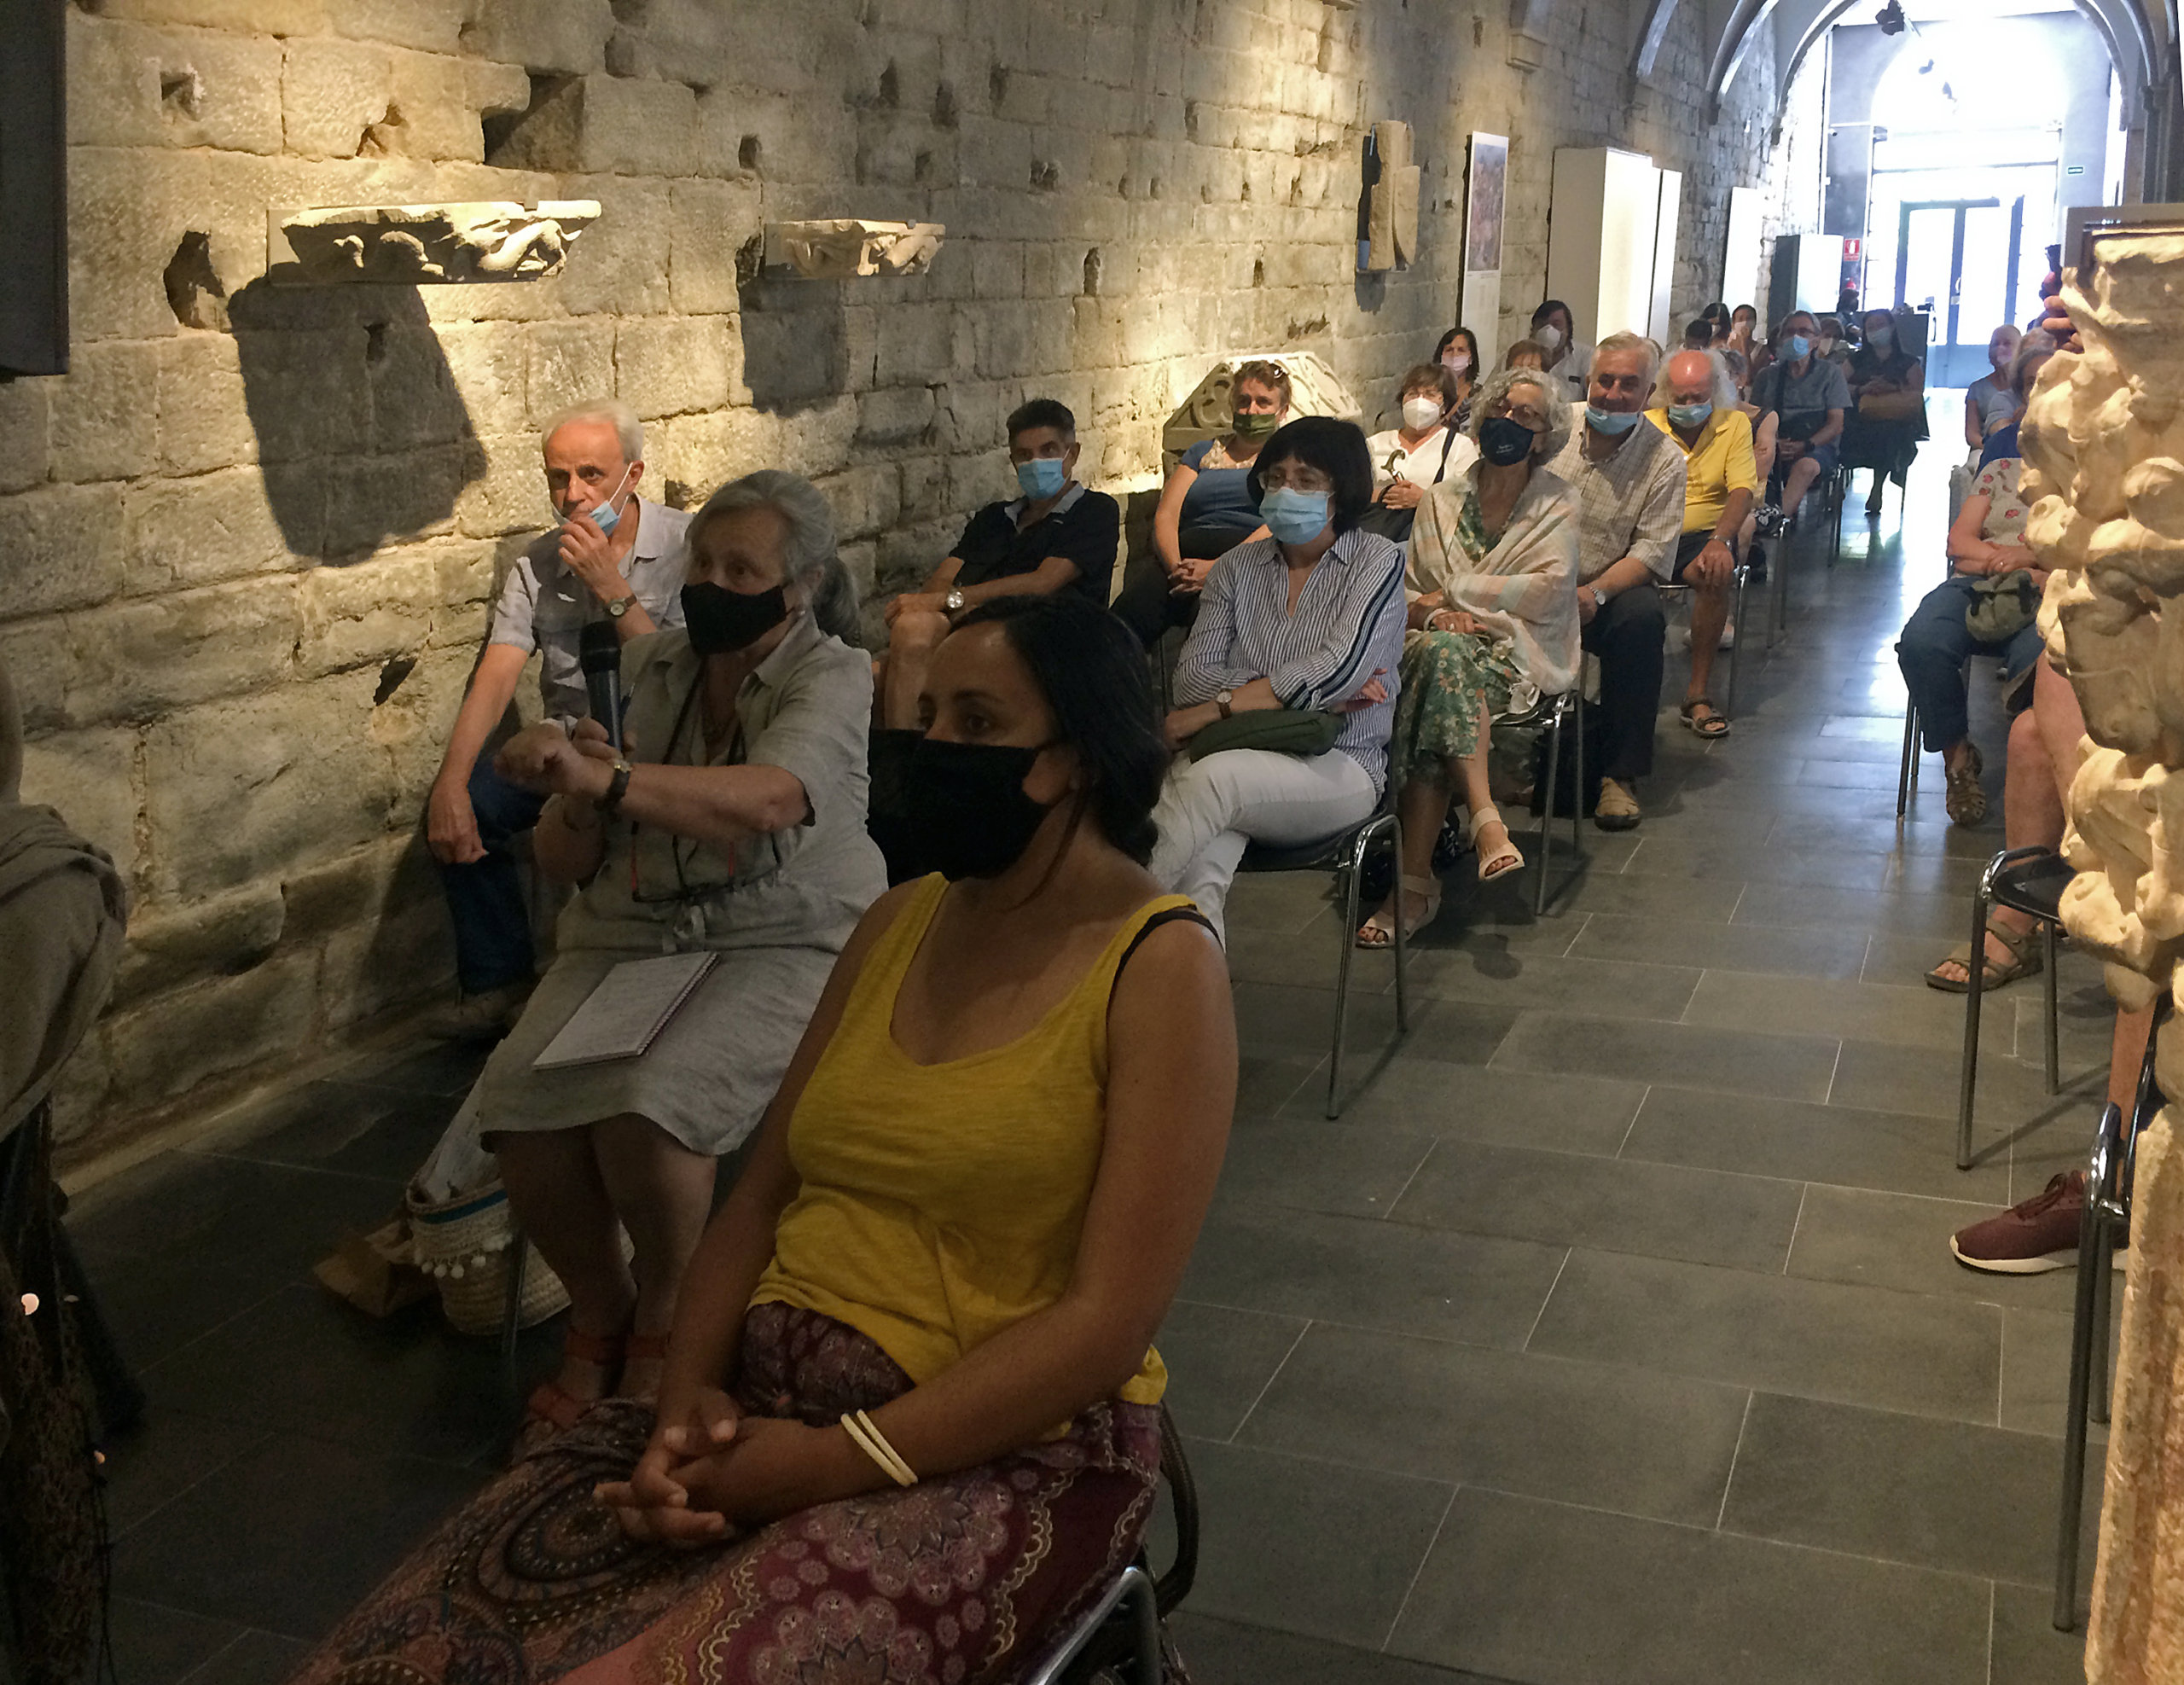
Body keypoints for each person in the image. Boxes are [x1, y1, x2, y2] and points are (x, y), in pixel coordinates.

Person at [289, 592, 1238, 1685]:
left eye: (977, 723)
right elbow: (759, 1200)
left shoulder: (1157, 968)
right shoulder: (900, 922)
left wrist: (832, 1463)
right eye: (927, 716)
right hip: (763, 1400)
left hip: (998, 1447)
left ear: (1075, 757)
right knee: (403, 1650)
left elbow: (1104, 1324)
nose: (934, 748)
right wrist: (682, 1401)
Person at [473, 470, 887, 1443]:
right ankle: (601, 1301)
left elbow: (772, 798)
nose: (712, 584)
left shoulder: (831, 674)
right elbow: (567, 861)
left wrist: (612, 779)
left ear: (801, 585)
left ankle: (669, 1308)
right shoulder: (649, 668)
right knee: (519, 1106)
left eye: (742, 570)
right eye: (703, 563)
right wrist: (568, 784)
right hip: (631, 928)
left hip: (781, 932)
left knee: (647, 1106)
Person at [424, 398, 694, 1041]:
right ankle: (497, 981)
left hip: (657, 737)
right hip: (569, 738)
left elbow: (674, 676)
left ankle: (616, 979)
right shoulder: (537, 564)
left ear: (633, 474)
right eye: (558, 477)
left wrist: (611, 586)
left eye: (591, 475)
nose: (573, 495)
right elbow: (498, 674)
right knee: (474, 803)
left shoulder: (688, 547)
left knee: (620, 814)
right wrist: (450, 784)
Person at [1149, 417, 1406, 943]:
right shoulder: (1234, 567)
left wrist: (1219, 707)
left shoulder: (1377, 562)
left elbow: (1337, 668)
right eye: (1276, 478)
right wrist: (1305, 688)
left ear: (1342, 491)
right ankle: (1191, 986)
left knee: (1206, 782)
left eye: (1307, 480)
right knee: (1200, 875)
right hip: (1237, 749)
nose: (1287, 490)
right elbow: (1191, 680)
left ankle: (1099, 928)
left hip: (1339, 763)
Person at [1360, 369, 1579, 944]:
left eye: (1526, 414)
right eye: (1501, 408)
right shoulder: (1440, 499)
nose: (1509, 419)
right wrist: (1437, 616)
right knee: (1444, 654)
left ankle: (1413, 884)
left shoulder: (1558, 501)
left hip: (1514, 653)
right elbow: (1411, 595)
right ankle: (1485, 822)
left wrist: (1454, 596)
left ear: (1545, 434)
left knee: (1439, 670)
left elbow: (1547, 591)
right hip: (1433, 644)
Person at [876, 398, 1120, 727]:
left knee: (906, 644)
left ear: (1072, 454)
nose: (1036, 463)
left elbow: (1043, 582)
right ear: (1013, 462)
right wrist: (943, 604)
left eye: (1048, 450)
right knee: (873, 672)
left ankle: (910, 755)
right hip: (970, 629)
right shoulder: (994, 519)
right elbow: (942, 579)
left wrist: (952, 601)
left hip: (1048, 638)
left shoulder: (1094, 512)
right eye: (1024, 455)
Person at [1548, 334, 1687, 831]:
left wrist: (1595, 593)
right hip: (1530, 575)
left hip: (1602, 587)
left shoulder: (1665, 460)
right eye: (1604, 380)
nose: (1613, 394)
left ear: (1649, 393)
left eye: (1629, 385)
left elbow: (1651, 551)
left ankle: (1619, 774)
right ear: (1589, 380)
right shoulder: (1553, 427)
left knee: (1641, 620)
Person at [1894, 450, 2044, 827]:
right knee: (1922, 642)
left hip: (2044, 588)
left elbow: (2084, 553)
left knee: (2042, 660)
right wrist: (2008, 561)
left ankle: (2034, 780)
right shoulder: (2001, 469)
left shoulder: (2091, 478)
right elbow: (1958, 544)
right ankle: (1959, 762)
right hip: (1976, 582)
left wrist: (2025, 558)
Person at [1117, 360, 1287, 648]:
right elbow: (1167, 514)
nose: (1251, 411)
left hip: (1246, 563)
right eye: (1243, 401)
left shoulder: (1286, 459)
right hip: (1184, 560)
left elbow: (1279, 521)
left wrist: (1219, 569)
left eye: (1263, 402)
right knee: (1121, 624)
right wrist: (1176, 569)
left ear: (1282, 411)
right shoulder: (1203, 452)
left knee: (1207, 625)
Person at [1647, 349, 1757, 741]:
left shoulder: (1734, 424)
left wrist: (1720, 540)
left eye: (1698, 396)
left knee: (1715, 572)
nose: (1689, 405)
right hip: (1652, 530)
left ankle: (1697, 693)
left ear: (1716, 390)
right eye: (1680, 398)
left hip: (1703, 534)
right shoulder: (1647, 425)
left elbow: (1742, 489)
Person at [1752, 311, 1850, 528]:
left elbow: (1836, 423)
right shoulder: (1767, 376)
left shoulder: (1831, 374)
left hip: (1816, 444)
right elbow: (1754, 418)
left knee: (1806, 466)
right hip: (1774, 440)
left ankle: (1773, 521)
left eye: (1804, 331)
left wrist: (1805, 445)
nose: (1796, 337)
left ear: (1816, 340)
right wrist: (1772, 443)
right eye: (1790, 332)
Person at [1365, 363, 1480, 525]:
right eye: (1412, 394)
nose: (1419, 401)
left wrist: (1423, 499)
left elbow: (1470, 503)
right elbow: (1350, 491)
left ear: (1445, 405)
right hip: (1376, 528)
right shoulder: (1375, 443)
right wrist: (1385, 494)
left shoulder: (1460, 447)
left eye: (1429, 394)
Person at [1843, 307, 1927, 516]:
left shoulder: (1908, 362)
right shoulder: (1855, 359)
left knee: (1889, 432)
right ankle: (1838, 484)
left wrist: (1892, 388)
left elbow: (1916, 393)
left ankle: (1878, 485)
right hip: (1859, 416)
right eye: (1870, 327)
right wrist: (1863, 389)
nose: (1875, 330)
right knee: (1843, 429)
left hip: (1895, 417)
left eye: (1880, 325)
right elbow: (1839, 386)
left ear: (1891, 328)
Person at [1976, 340, 2055, 467]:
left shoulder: (2083, 437)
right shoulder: (2002, 443)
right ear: (2022, 394)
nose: (2040, 387)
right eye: (2031, 382)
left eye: (2051, 378)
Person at [1965, 325, 2023, 449]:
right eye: (1995, 344)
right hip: (1986, 449)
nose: (2000, 348)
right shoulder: (1977, 389)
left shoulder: (2028, 386)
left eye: (2007, 343)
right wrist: (1994, 450)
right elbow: (1972, 435)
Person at [1531, 299, 1593, 401]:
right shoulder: (1520, 357)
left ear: (1568, 329)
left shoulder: (1585, 356)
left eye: (1557, 324)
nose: (1548, 331)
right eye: (1542, 325)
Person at [1432, 326, 1483, 430]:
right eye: (1449, 350)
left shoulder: (1480, 395)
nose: (1454, 355)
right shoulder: (1430, 391)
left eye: (1461, 350)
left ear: (1471, 358)